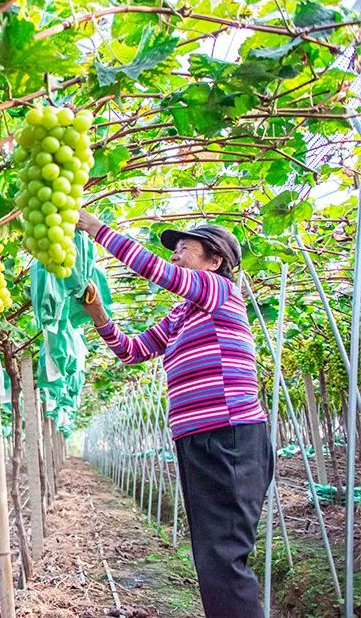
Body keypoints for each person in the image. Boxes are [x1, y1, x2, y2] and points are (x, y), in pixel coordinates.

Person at [76, 209, 271, 618]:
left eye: (184, 250)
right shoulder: (183, 314)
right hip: (199, 439)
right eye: (176, 252)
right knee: (212, 555)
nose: (177, 258)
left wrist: (97, 229)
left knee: (224, 556)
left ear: (214, 261)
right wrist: (97, 314)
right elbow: (132, 351)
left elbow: (160, 272)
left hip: (229, 436)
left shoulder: (218, 291)